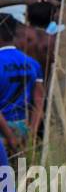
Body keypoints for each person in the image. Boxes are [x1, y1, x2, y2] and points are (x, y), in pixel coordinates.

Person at [0, 13, 44, 156]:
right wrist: (32, 131)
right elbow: (39, 102)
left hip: (3, 130)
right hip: (23, 127)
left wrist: (10, 137)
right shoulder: (32, 63)